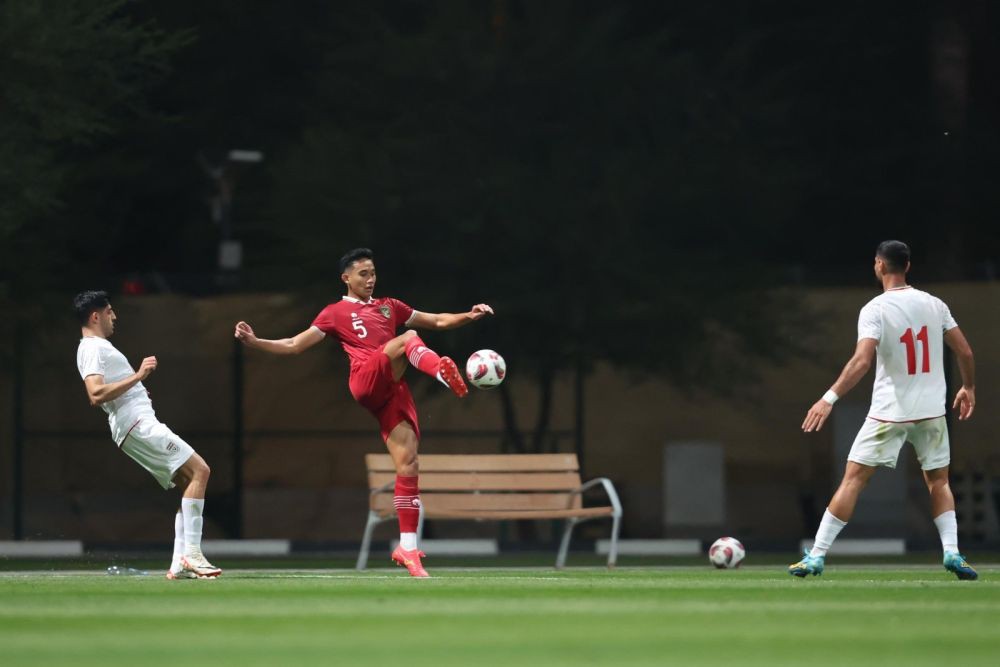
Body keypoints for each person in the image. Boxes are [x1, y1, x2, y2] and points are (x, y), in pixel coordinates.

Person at [234, 248, 494, 577]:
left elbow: (438, 320)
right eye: (363, 274)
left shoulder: (390, 306)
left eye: (373, 273)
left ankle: (408, 548)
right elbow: (294, 345)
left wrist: (469, 316)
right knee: (410, 337)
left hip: (392, 390)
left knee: (409, 464)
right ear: (346, 278)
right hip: (366, 380)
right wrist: (255, 341)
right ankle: (441, 373)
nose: (370, 280)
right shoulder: (333, 312)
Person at [791, 240, 977, 580]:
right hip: (932, 412)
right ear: (908, 266)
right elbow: (964, 352)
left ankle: (816, 556)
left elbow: (862, 360)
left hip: (889, 412)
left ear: (879, 265)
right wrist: (969, 387)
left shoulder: (875, 309)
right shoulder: (935, 304)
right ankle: (952, 552)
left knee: (853, 480)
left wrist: (828, 398)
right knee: (939, 481)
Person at [74, 291, 222, 580]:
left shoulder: (96, 347)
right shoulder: (92, 347)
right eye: (109, 312)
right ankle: (193, 555)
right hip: (137, 424)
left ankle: (181, 563)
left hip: (134, 424)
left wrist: (135, 388)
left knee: (188, 482)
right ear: (95, 316)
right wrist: (138, 376)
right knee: (200, 471)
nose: (114, 317)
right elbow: (95, 394)